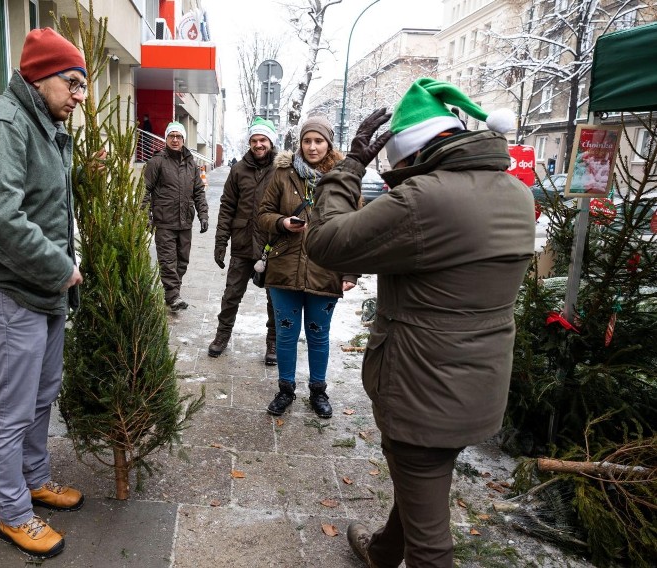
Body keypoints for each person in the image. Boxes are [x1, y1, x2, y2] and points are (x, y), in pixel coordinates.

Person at [305, 79, 536, 567]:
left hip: (422, 383)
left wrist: (349, 168)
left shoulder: (423, 199)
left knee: (432, 543)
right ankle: (383, 552)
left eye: (395, 163)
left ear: (410, 153)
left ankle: (401, 553)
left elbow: (326, 242)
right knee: (423, 478)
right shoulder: (515, 193)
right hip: (478, 381)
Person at [0, 28, 92, 559]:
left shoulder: (46, 125)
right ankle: (14, 512)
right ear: (40, 76)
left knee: (41, 398)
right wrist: (59, 267)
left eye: (82, 84)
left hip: (42, 293)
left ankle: (35, 479)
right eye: (73, 83)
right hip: (9, 291)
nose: (80, 95)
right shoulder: (4, 124)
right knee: (12, 410)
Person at [257, 116, 357, 419]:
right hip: (284, 268)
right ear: (299, 143)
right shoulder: (283, 174)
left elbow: (358, 227)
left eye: (318, 141)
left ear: (329, 144)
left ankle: (318, 390)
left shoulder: (343, 178)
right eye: (307, 140)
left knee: (318, 334)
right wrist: (282, 222)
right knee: (286, 334)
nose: (312, 147)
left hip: (326, 269)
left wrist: (351, 272)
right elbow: (262, 214)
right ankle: (285, 389)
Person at [209, 117, 278, 364]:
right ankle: (222, 335)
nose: (258, 144)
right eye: (254, 140)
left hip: (272, 246)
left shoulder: (281, 169)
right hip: (242, 243)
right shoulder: (238, 170)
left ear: (271, 141)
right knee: (231, 295)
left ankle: (273, 342)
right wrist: (220, 243)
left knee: (275, 300)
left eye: (263, 140)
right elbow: (227, 207)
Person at [143, 121, 209, 311]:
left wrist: (203, 215)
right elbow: (144, 190)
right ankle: (173, 296)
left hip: (185, 221)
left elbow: (198, 191)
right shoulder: (157, 161)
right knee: (168, 260)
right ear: (166, 139)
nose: (174, 140)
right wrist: (144, 216)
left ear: (183, 139)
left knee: (182, 261)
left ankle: (173, 293)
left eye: (178, 136)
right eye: (171, 136)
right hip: (164, 220)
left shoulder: (191, 163)